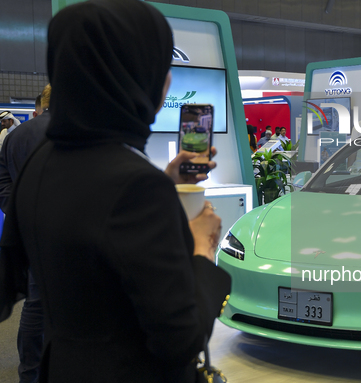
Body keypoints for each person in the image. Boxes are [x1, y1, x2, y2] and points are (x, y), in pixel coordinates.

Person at [0, 1, 230, 382]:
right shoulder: (136, 185)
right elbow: (180, 339)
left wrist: (164, 182)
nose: (168, 80)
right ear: (137, 78)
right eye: (160, 67)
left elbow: (17, 275)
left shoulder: (42, 162)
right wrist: (201, 251)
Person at [0, 83, 51, 383]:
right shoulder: (73, 132)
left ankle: (30, 371)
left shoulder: (15, 137)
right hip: (70, 234)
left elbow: (3, 181)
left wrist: (20, 212)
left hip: (31, 231)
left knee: (35, 301)